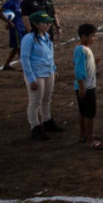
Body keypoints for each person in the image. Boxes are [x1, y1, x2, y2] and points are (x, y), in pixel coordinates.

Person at [21, 11, 65, 141]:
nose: (49, 24)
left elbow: (49, 55)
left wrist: (53, 69)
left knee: (46, 99)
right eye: (45, 22)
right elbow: (24, 59)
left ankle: (47, 121)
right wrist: (31, 78)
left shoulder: (45, 36)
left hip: (48, 72)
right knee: (35, 102)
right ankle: (35, 127)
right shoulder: (28, 39)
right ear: (36, 24)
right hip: (36, 74)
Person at [74, 23, 102, 150]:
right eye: (93, 36)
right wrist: (82, 87)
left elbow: (83, 66)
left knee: (83, 112)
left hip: (85, 86)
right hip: (86, 87)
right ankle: (90, 140)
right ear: (84, 36)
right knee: (89, 113)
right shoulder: (81, 50)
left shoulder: (83, 48)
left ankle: (83, 135)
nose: (94, 38)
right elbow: (79, 70)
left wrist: (93, 62)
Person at [0, 0, 28, 70]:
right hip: (16, 28)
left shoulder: (22, 2)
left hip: (22, 27)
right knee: (20, 47)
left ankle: (6, 65)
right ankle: (24, 66)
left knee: (16, 47)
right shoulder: (11, 2)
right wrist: (9, 23)